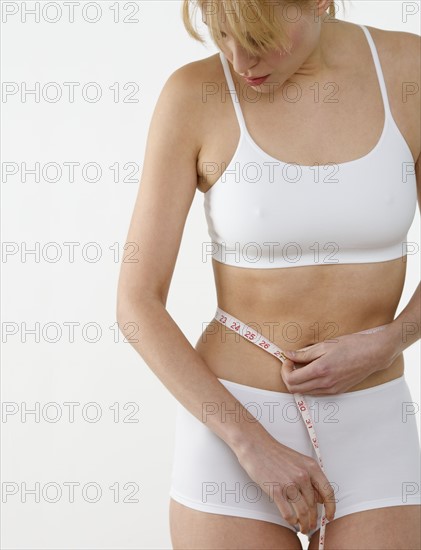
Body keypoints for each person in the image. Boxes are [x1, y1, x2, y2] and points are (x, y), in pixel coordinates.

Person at [116, 0, 421, 548]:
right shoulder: (193, 96)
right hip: (233, 425)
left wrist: (391, 340)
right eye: (221, 35)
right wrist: (248, 441)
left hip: (374, 425)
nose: (239, 60)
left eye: (258, 37)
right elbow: (136, 303)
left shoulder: (408, 70)